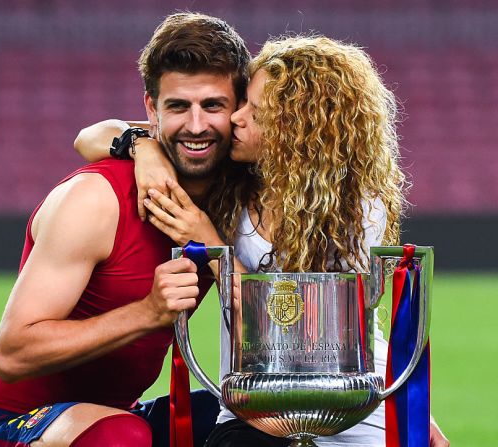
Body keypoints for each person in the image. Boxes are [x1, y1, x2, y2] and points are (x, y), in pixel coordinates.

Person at [74, 35, 450, 447]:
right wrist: (141, 146)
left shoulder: (354, 203)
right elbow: (90, 136)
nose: (236, 117)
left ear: (294, 128)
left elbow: (299, 325)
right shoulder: (234, 178)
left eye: (255, 111)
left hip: (345, 405)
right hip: (254, 408)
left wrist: (206, 240)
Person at [0, 12, 251, 447]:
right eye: (177, 106)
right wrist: (147, 313)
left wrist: (210, 241)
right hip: (14, 426)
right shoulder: (96, 199)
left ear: (239, 110)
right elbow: (12, 353)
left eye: (212, 105)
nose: (195, 125)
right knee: (123, 437)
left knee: (259, 418)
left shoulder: (231, 199)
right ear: (151, 108)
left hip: (115, 416)